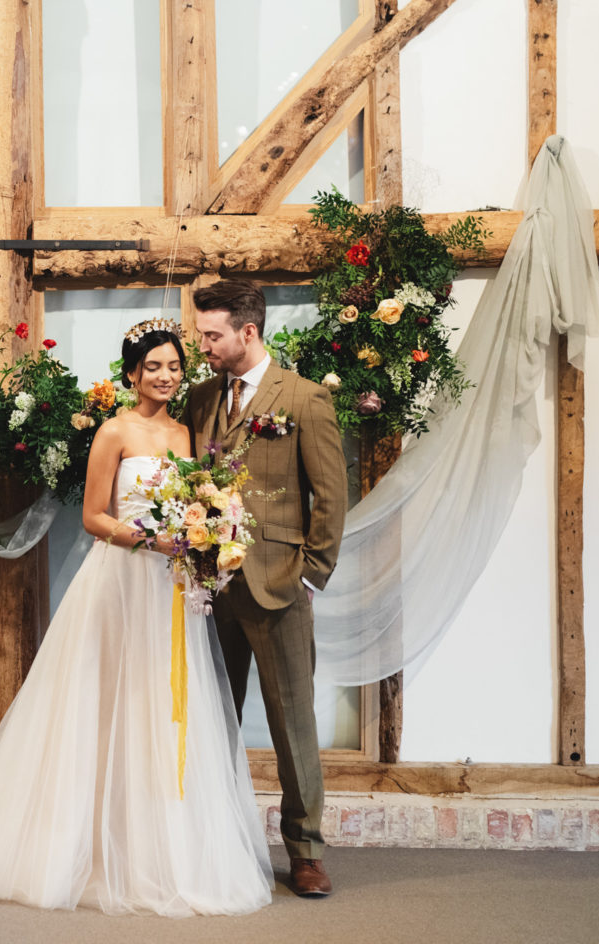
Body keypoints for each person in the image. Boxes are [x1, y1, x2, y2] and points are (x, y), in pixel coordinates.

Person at [0, 322, 273, 917]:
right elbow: (96, 517)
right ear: (131, 374)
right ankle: (84, 842)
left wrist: (205, 535)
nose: (167, 376)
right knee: (101, 703)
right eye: (154, 367)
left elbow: (199, 502)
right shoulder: (114, 431)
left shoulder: (187, 434)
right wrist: (153, 541)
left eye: (175, 366)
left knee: (161, 704)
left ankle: (157, 845)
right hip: (121, 579)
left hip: (171, 591)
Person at [186, 280, 347, 898]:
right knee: (212, 719)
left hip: (279, 587)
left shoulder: (304, 400)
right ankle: (215, 836)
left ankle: (305, 851)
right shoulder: (201, 398)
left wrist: (311, 573)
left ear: (246, 333)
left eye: (212, 335)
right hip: (211, 589)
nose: (203, 345)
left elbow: (331, 498)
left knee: (292, 726)